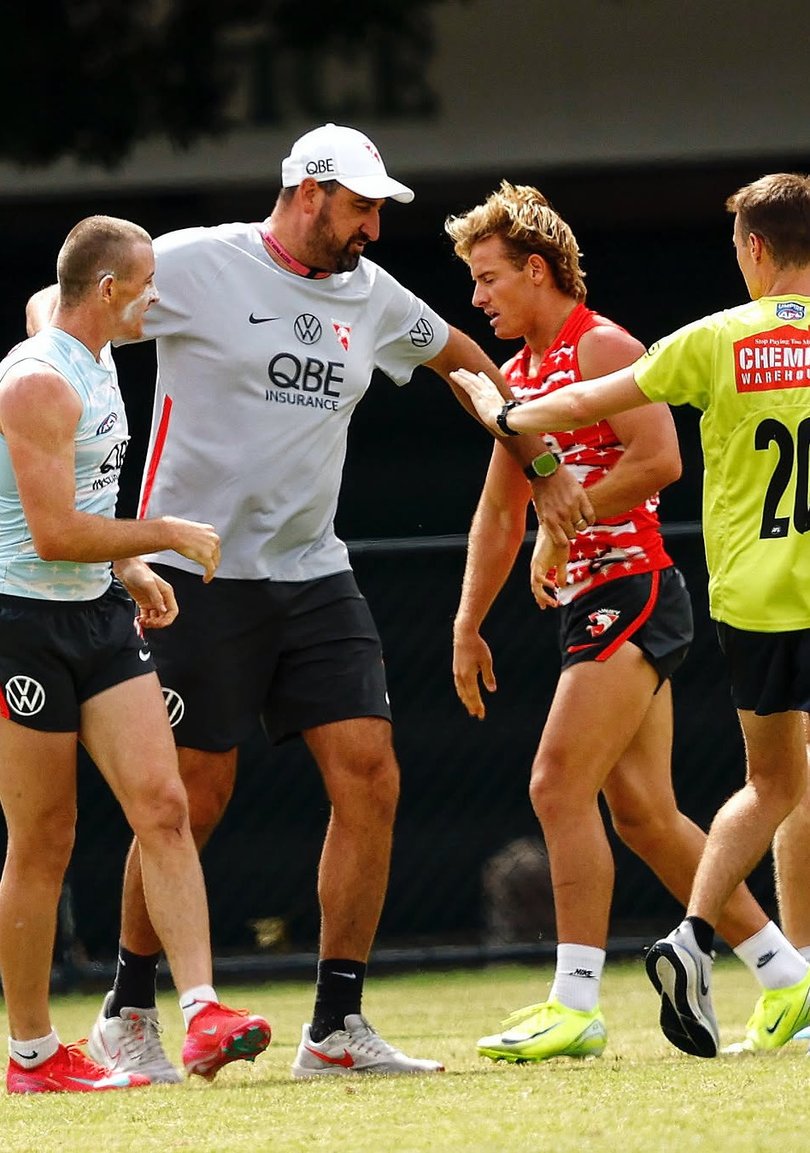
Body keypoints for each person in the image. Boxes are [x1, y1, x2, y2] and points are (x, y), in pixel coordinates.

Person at [27, 124, 592, 1081]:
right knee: (192, 797)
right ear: (307, 191)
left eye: (380, 207)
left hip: (313, 571)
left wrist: (537, 458)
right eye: (362, 204)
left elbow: (461, 361)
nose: (375, 224)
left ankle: (336, 1026)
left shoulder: (372, 297)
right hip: (192, 575)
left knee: (371, 773)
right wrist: (56, 361)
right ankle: (128, 1008)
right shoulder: (202, 264)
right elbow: (69, 297)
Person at [442, 180, 810, 1063]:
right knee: (646, 813)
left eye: (489, 278)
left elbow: (659, 456)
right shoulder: (519, 373)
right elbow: (500, 513)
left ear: (538, 270)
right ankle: (785, 973)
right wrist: (467, 622)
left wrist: (561, 520)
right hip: (612, 595)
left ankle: (575, 1001)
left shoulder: (598, 342)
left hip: (637, 586)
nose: (477, 298)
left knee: (553, 783)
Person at [0, 216, 271, 1093]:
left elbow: (52, 298)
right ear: (111, 290)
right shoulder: (38, 381)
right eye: (147, 281)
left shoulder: (89, 343)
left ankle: (202, 1014)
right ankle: (34, 1054)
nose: (158, 296)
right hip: (24, 623)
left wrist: (126, 566)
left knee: (163, 803)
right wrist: (159, 536)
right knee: (44, 839)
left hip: (98, 614)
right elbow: (49, 531)